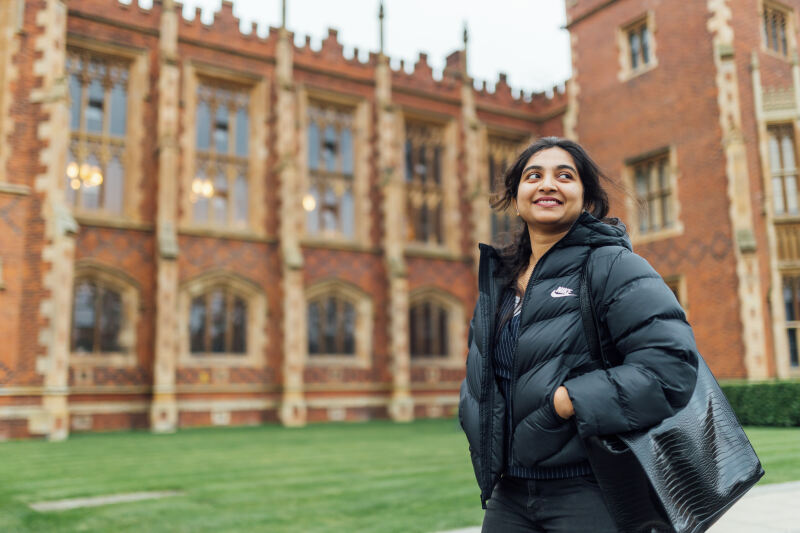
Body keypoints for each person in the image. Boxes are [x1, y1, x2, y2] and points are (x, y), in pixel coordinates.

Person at [458, 137, 699, 532]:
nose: (547, 184)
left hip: (589, 488)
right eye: (533, 175)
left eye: (564, 175)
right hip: (509, 493)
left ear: (585, 196)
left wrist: (567, 401)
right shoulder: (499, 282)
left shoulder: (615, 266)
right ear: (516, 196)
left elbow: (670, 367)